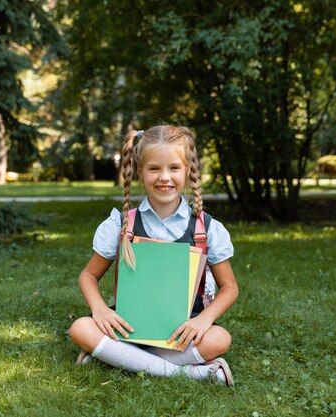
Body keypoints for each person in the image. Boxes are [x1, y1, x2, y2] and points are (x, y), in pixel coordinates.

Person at [69, 125, 239, 386]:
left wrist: (204, 320)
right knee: (80, 328)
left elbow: (229, 287)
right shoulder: (121, 224)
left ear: (188, 171)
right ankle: (191, 372)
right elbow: (89, 275)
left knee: (220, 338)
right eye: (154, 169)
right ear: (140, 172)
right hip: (130, 327)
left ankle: (118, 359)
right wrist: (100, 310)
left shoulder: (206, 228)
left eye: (174, 168)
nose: (164, 177)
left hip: (183, 330)